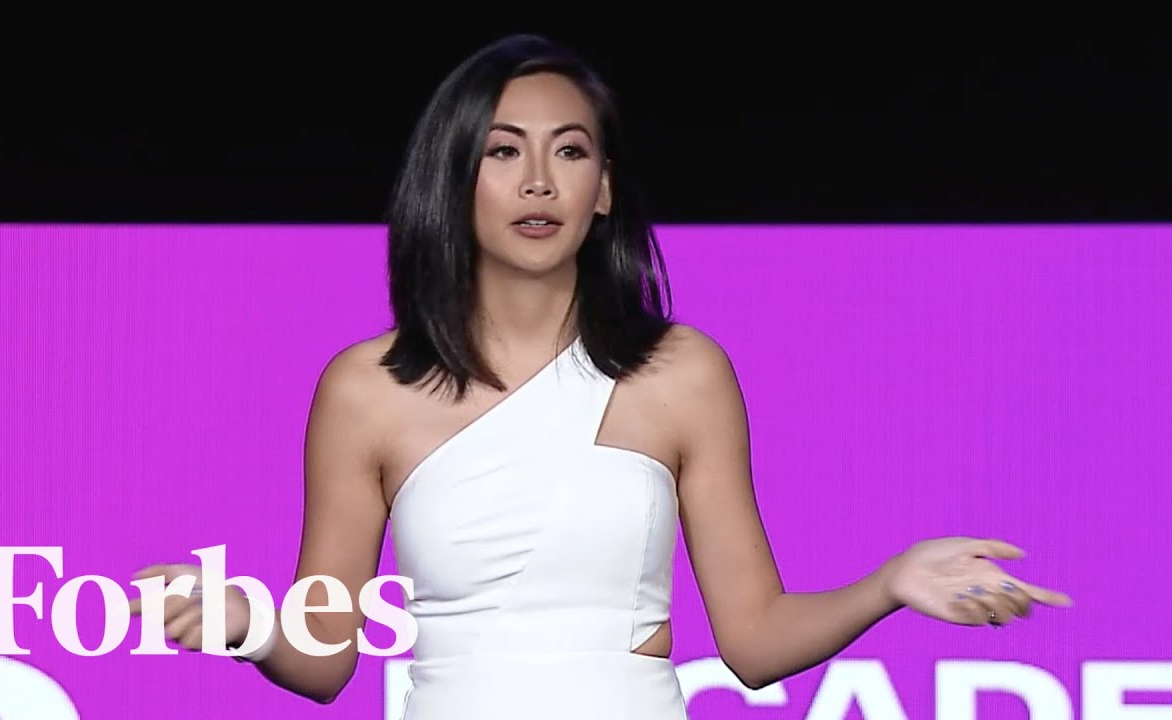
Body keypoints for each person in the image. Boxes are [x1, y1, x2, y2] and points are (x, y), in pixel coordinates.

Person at [129, 33, 1072, 719]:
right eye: (503, 151)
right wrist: (249, 624)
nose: (539, 181)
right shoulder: (365, 389)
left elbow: (753, 640)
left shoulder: (683, 372)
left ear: (604, 186)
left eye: (570, 150)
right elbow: (326, 655)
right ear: (454, 179)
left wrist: (890, 582)